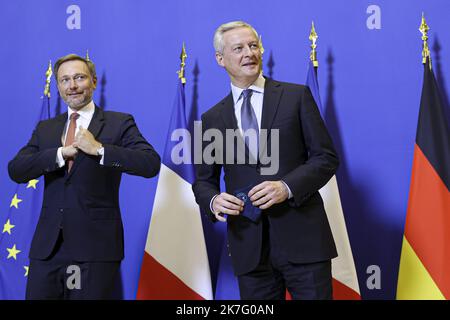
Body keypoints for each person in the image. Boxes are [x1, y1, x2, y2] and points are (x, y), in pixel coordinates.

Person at [192, 21, 339, 300]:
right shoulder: (212, 118)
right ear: (220, 59)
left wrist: (286, 187)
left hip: (303, 243)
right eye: (239, 48)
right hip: (249, 249)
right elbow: (203, 181)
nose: (249, 53)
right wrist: (213, 201)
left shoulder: (296, 97)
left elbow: (325, 158)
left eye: (253, 46)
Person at [8, 54, 161, 299]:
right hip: (48, 250)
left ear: (94, 81)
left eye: (79, 77)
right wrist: (59, 154)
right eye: (65, 80)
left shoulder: (118, 123)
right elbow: (16, 169)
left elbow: (150, 163)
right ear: (58, 86)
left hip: (94, 251)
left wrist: (99, 149)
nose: (73, 86)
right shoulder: (47, 128)